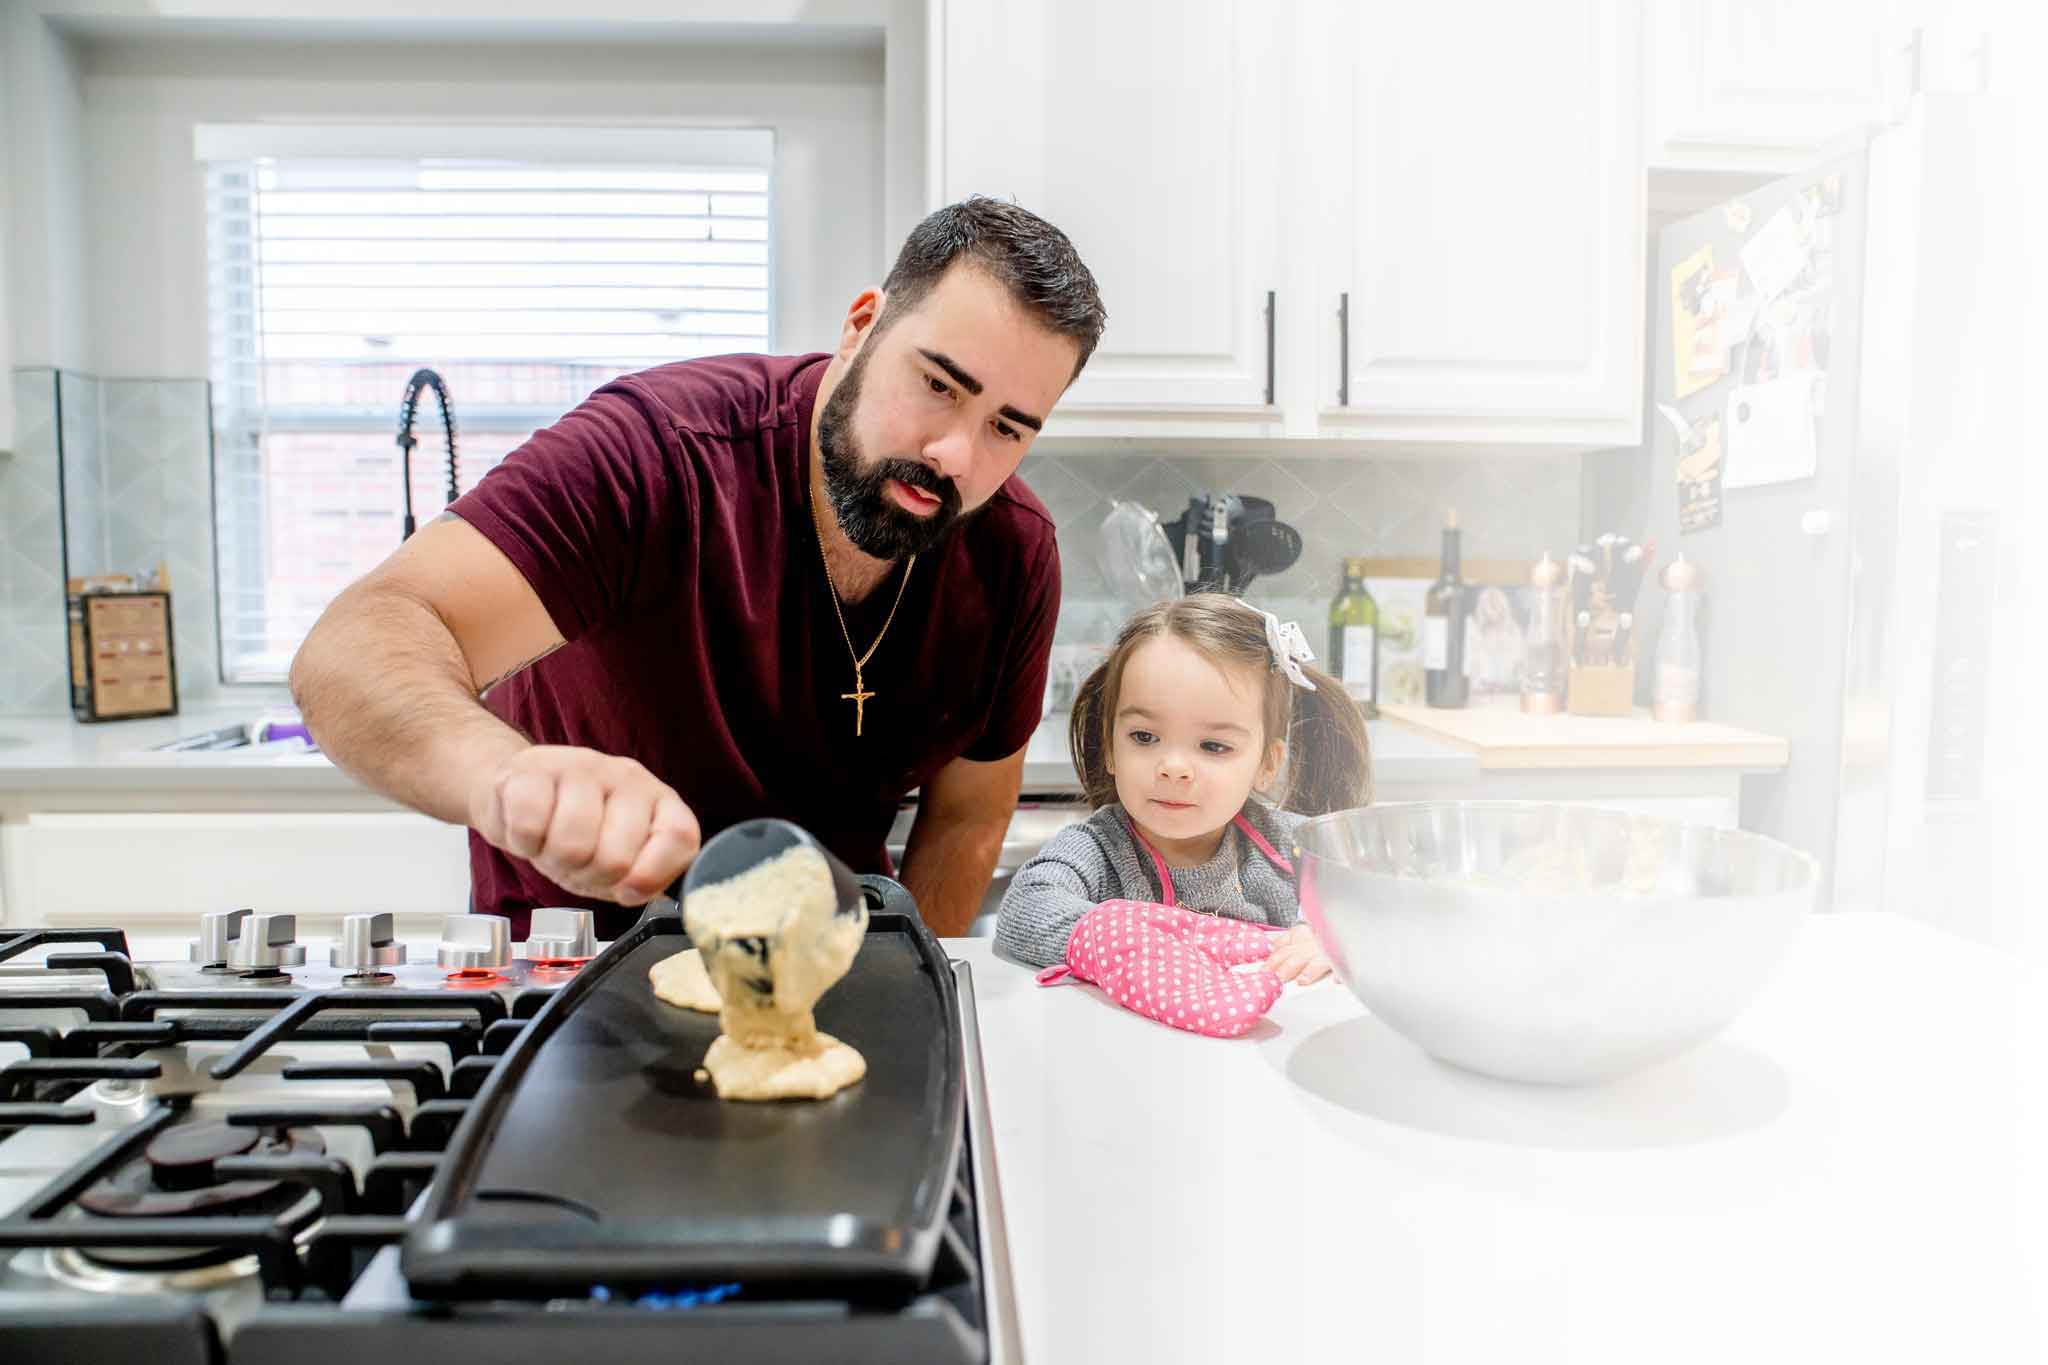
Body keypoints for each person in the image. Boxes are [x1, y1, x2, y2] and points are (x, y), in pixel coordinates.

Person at [290, 198, 1107, 939]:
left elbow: (967, 816)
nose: (954, 454)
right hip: (573, 968)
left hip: (827, 965)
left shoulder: (1012, 552)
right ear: (862, 325)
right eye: (937, 383)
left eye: (1008, 427)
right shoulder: (657, 453)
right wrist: (503, 774)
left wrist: (906, 975)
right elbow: (357, 642)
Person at [994, 594, 1372, 982]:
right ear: (1109, 747)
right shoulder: (1097, 850)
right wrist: (1124, 943)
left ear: (1265, 765)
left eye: (1213, 746)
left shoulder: (1291, 845)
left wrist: (1326, 936)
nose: (1173, 768)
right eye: (1144, 736)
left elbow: (1374, 896)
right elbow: (1025, 907)